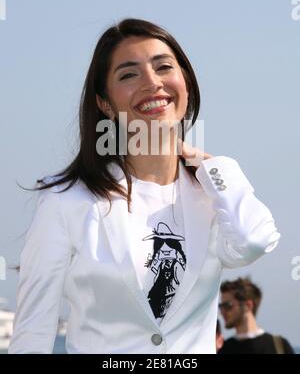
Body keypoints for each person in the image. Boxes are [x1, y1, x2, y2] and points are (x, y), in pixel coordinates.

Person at [9, 18, 280, 354]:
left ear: (186, 82)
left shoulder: (213, 193)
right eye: (128, 74)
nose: (152, 82)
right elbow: (33, 335)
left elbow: (252, 242)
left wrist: (218, 169)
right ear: (104, 103)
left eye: (163, 66)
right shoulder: (66, 200)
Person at [218, 277, 294, 354]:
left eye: (227, 306)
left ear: (248, 305)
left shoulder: (279, 346)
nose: (222, 312)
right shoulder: (224, 350)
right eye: (220, 306)